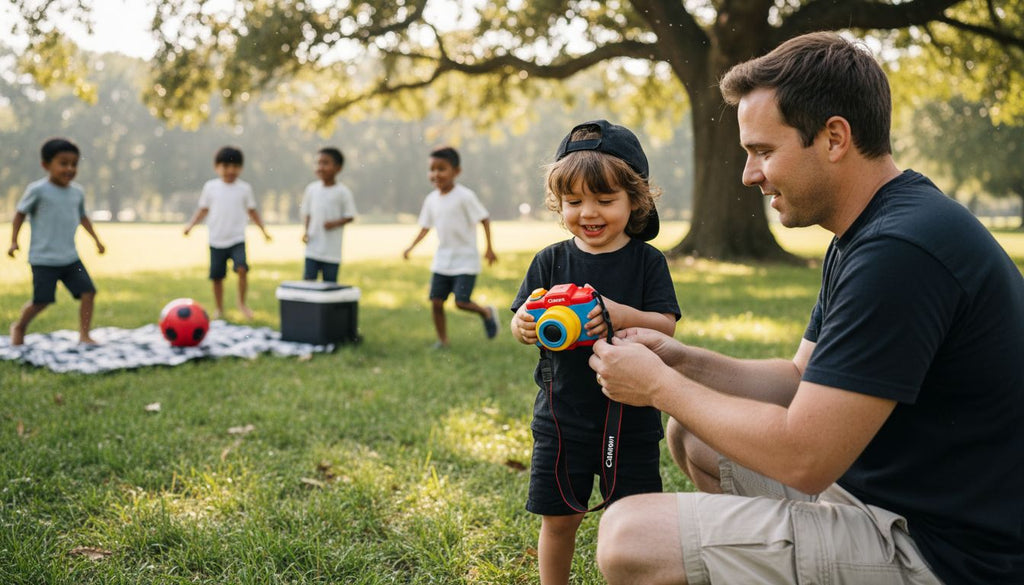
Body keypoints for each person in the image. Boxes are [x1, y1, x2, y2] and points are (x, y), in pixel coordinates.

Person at [588, 32, 1024, 585]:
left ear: (834, 137)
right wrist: (679, 359)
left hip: (947, 553)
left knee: (630, 536)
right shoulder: (870, 228)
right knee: (694, 437)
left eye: (764, 152)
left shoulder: (900, 251)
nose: (749, 174)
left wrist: (658, 387)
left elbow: (804, 458)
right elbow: (800, 378)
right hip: (888, 492)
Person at [510, 120, 680, 585]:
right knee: (559, 518)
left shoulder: (648, 262)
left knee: (636, 520)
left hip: (632, 416)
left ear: (636, 200)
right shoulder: (550, 260)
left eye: (605, 201)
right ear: (558, 203)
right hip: (561, 416)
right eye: (574, 202)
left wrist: (619, 313)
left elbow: (665, 325)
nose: (589, 213)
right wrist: (521, 322)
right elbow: (522, 314)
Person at [7, 138, 106, 346]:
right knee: (41, 301)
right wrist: (14, 241)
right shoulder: (38, 190)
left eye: (74, 164)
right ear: (46, 165)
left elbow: (83, 218)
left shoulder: (77, 192)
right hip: (43, 260)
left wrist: (96, 241)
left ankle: (84, 335)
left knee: (89, 292)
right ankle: (19, 327)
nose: (70, 168)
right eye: (63, 163)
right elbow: (19, 214)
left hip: (70, 258)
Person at [403, 146, 499, 349]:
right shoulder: (431, 200)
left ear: (456, 171)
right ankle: (442, 340)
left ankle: (486, 312)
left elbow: (484, 219)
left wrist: (489, 248)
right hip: (442, 260)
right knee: (436, 302)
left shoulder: (465, 196)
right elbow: (425, 227)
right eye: (432, 169)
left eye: (442, 168)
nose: (436, 174)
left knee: (461, 302)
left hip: (466, 260)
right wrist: (410, 248)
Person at [184, 146, 271, 320]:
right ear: (217, 167)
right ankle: (219, 308)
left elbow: (252, 211)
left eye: (235, 166)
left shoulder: (244, 189)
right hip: (216, 239)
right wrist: (190, 226)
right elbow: (203, 210)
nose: (230, 170)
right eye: (225, 166)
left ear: (241, 168)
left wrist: (263, 231)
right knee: (217, 277)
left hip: (237, 238)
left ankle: (242, 304)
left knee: (242, 269)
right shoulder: (211, 187)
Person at [300, 146, 357, 282]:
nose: (320, 167)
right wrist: (306, 232)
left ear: (338, 168)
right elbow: (307, 213)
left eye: (325, 163)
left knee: (330, 286)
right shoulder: (311, 189)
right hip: (312, 249)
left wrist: (334, 223)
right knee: (308, 284)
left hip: (332, 252)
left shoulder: (343, 192)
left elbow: (350, 216)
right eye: (318, 163)